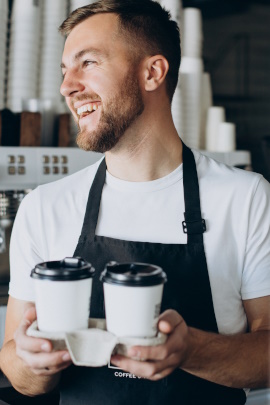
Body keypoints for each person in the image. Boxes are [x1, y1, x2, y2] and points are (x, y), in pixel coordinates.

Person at [0, 0, 269, 404]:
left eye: (87, 62)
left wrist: (190, 350)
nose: (67, 86)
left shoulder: (246, 198)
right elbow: (17, 370)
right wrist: (34, 363)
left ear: (152, 72)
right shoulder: (44, 207)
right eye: (64, 70)